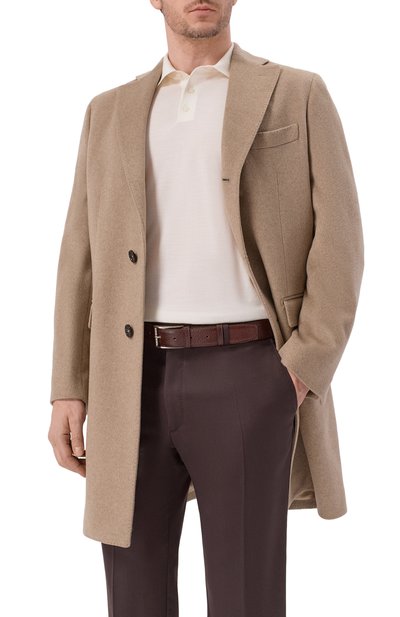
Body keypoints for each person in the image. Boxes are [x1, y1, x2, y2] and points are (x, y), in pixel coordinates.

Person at [48, 1, 364, 615]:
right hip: (129, 379)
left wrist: (302, 366)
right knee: (133, 595)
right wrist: (69, 386)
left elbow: (341, 242)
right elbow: (77, 258)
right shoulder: (108, 111)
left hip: (252, 373)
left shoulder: (296, 93)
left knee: (246, 597)